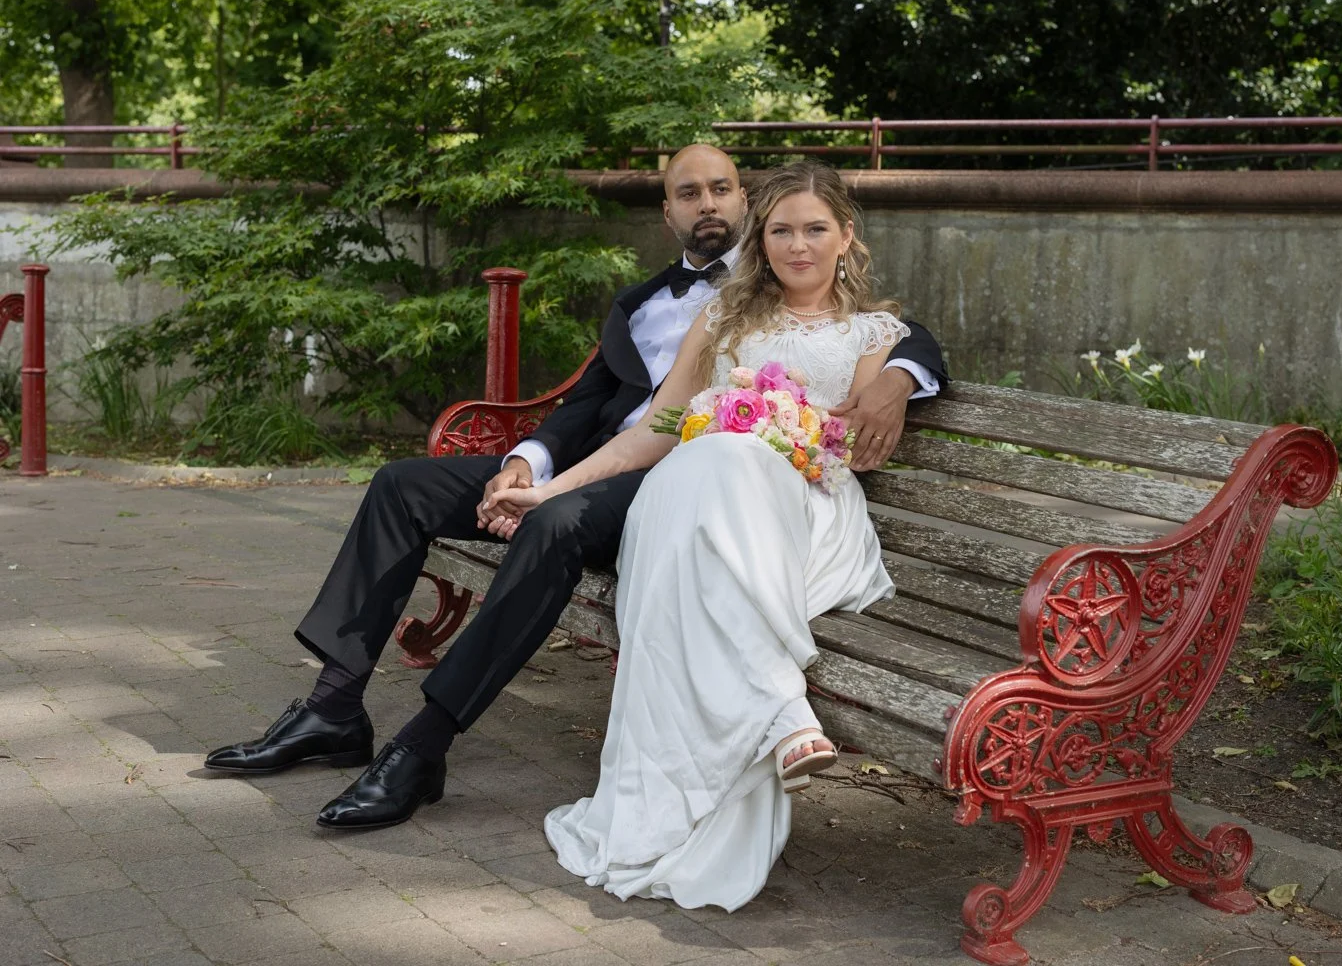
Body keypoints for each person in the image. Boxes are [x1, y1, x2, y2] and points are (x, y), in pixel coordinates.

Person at [202, 146, 948, 831]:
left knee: (555, 526)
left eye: (724, 189)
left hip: (723, 498)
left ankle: (423, 745)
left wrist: (891, 381)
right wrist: (531, 465)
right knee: (403, 485)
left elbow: (900, 353)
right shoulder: (656, 305)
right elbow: (614, 409)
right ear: (672, 212)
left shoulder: (873, 329)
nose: (714, 206)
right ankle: (333, 706)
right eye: (690, 193)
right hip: (633, 463)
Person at [486, 160, 926, 910]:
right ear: (762, 236)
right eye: (781, 230)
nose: (797, 246)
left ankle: (779, 711)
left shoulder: (877, 334)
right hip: (698, 499)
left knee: (727, 457)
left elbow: (849, 444)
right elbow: (657, 429)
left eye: (815, 229)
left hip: (803, 508)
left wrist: (783, 431)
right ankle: (783, 709)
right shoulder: (722, 320)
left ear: (845, 237)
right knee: (711, 455)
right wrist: (551, 488)